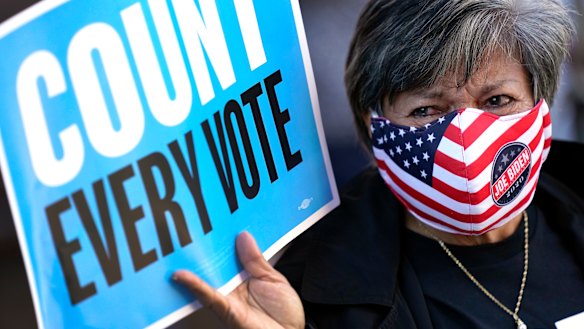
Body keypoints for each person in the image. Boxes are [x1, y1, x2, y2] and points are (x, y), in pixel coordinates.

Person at [173, 0, 584, 328]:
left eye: (497, 101)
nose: (465, 135)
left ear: (540, 103)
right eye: (426, 109)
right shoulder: (316, 290)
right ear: (375, 126)